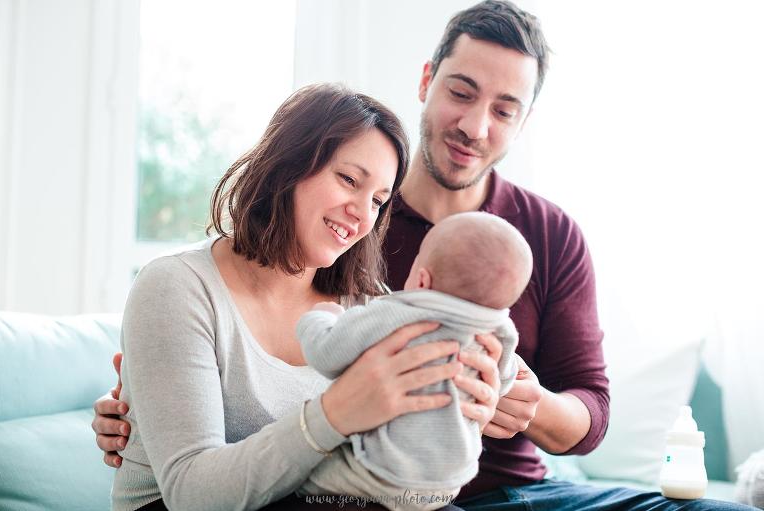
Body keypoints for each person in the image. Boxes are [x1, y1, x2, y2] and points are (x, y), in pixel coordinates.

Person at [95, 2, 756, 510]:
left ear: (523, 122)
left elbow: (591, 410)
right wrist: (148, 407)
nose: (475, 126)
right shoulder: (344, 258)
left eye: (504, 109)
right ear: (427, 81)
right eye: (462, 93)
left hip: (508, 490)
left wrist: (527, 401)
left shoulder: (536, 238)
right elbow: (237, 415)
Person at [104, 82, 504, 511]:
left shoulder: (369, 307)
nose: (361, 212)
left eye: (378, 201)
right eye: (349, 179)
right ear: (288, 165)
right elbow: (190, 493)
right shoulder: (177, 286)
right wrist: (335, 414)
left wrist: (465, 407)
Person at [295, 212, 533, 510]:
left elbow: (326, 355)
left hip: (380, 474)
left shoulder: (399, 313)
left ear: (422, 279)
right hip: (446, 485)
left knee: (299, 480)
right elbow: (503, 381)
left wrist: (319, 319)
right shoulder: (501, 333)